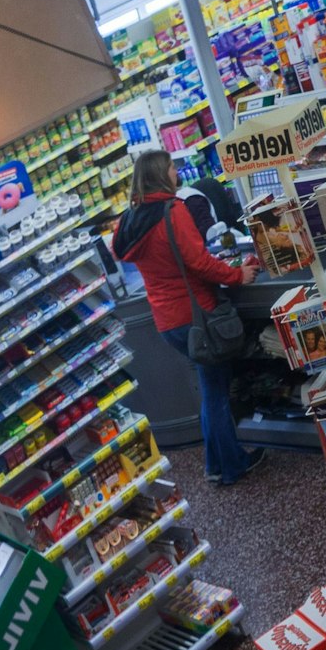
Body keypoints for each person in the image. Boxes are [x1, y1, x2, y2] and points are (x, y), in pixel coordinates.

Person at [110, 150, 264, 486]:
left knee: (210, 387)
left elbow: (124, 252)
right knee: (216, 391)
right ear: (161, 175)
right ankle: (232, 464)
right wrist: (238, 276)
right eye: (171, 167)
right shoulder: (172, 211)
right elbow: (199, 262)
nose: (177, 172)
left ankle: (214, 464)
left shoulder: (130, 220)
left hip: (168, 321)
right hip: (197, 315)